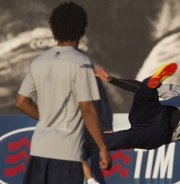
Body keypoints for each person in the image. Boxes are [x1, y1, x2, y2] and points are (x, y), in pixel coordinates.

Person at [15, 2, 111, 184]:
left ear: (53, 29)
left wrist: (47, 118)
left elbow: (21, 102)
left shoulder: (39, 62)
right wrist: (102, 147)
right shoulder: (81, 63)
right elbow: (87, 108)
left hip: (39, 151)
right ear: (82, 29)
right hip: (66, 154)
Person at [83, 77, 113, 184]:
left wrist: (108, 126)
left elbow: (104, 102)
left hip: (94, 130)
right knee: (78, 160)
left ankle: (93, 180)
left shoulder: (94, 79)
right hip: (80, 129)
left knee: (95, 166)